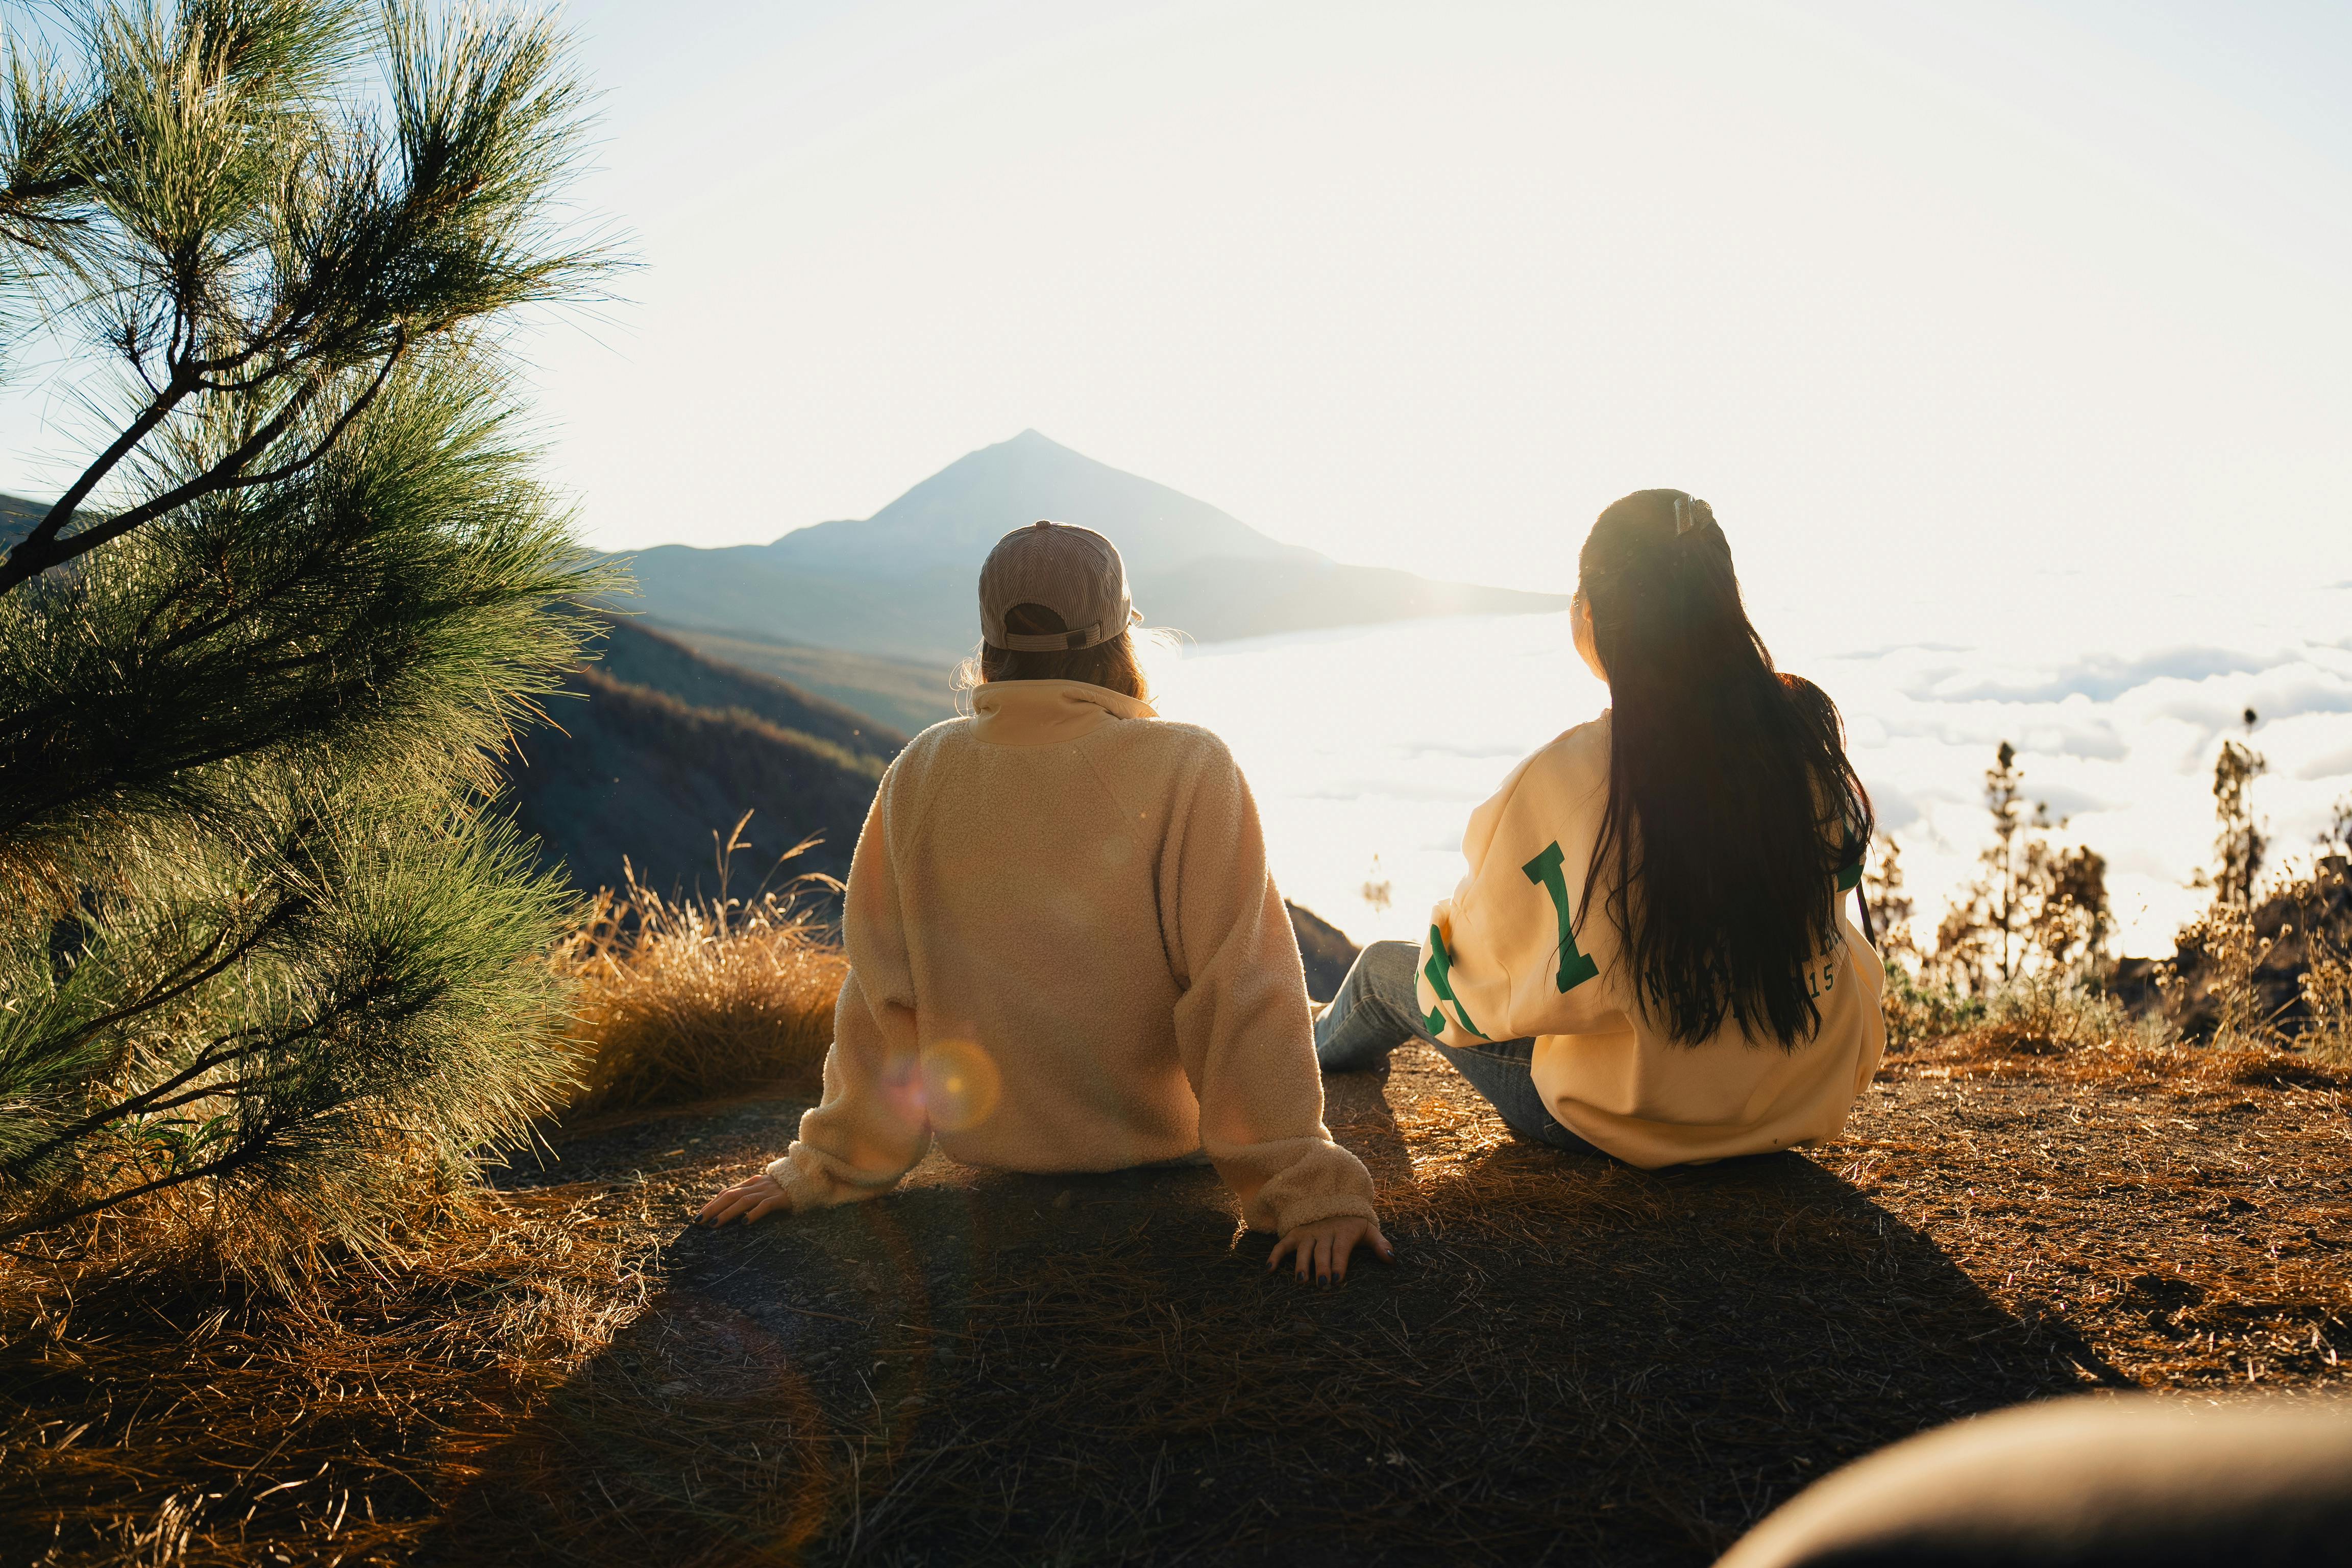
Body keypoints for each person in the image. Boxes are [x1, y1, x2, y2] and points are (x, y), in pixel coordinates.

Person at [699, 520, 1389, 1284]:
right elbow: (1242, 989)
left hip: (995, 1150)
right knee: (1336, 1014)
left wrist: (823, 1166)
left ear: (991, 642)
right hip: (1162, 1146)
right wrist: (1308, 1191)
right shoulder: (1189, 765)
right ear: (1121, 636)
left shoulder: (922, 769)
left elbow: (882, 992)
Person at [1314, 489, 1882, 1167]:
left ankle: (1288, 1049)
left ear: (1594, 615)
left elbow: (1467, 982)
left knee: (1381, 970)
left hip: (1633, 1118)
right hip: (1796, 1092)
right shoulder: (1803, 729)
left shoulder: (1566, 779)